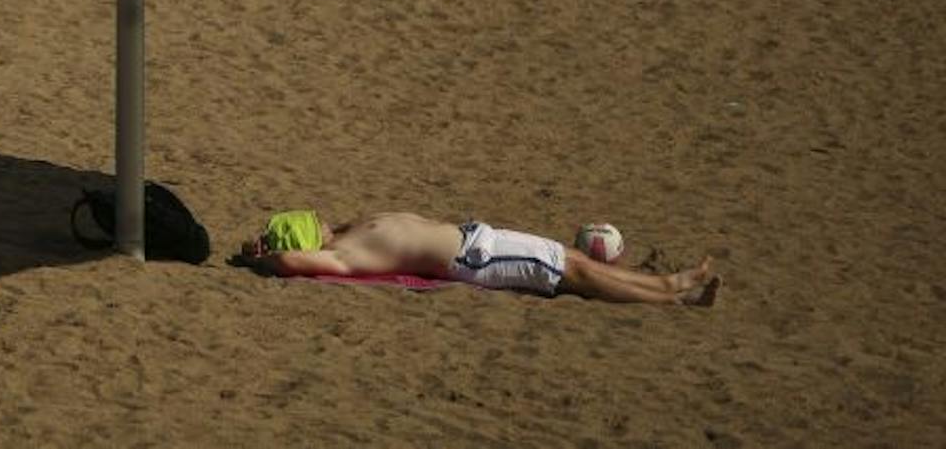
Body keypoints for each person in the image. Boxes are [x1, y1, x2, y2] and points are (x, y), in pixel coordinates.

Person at [233, 208, 719, 306]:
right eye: (309, 223)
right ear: (305, 239)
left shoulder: (349, 229)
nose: (320, 218)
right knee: (577, 272)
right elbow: (295, 263)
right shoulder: (344, 253)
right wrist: (265, 260)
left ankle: (668, 289)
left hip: (478, 241)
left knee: (573, 262)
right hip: (478, 258)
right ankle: (671, 289)